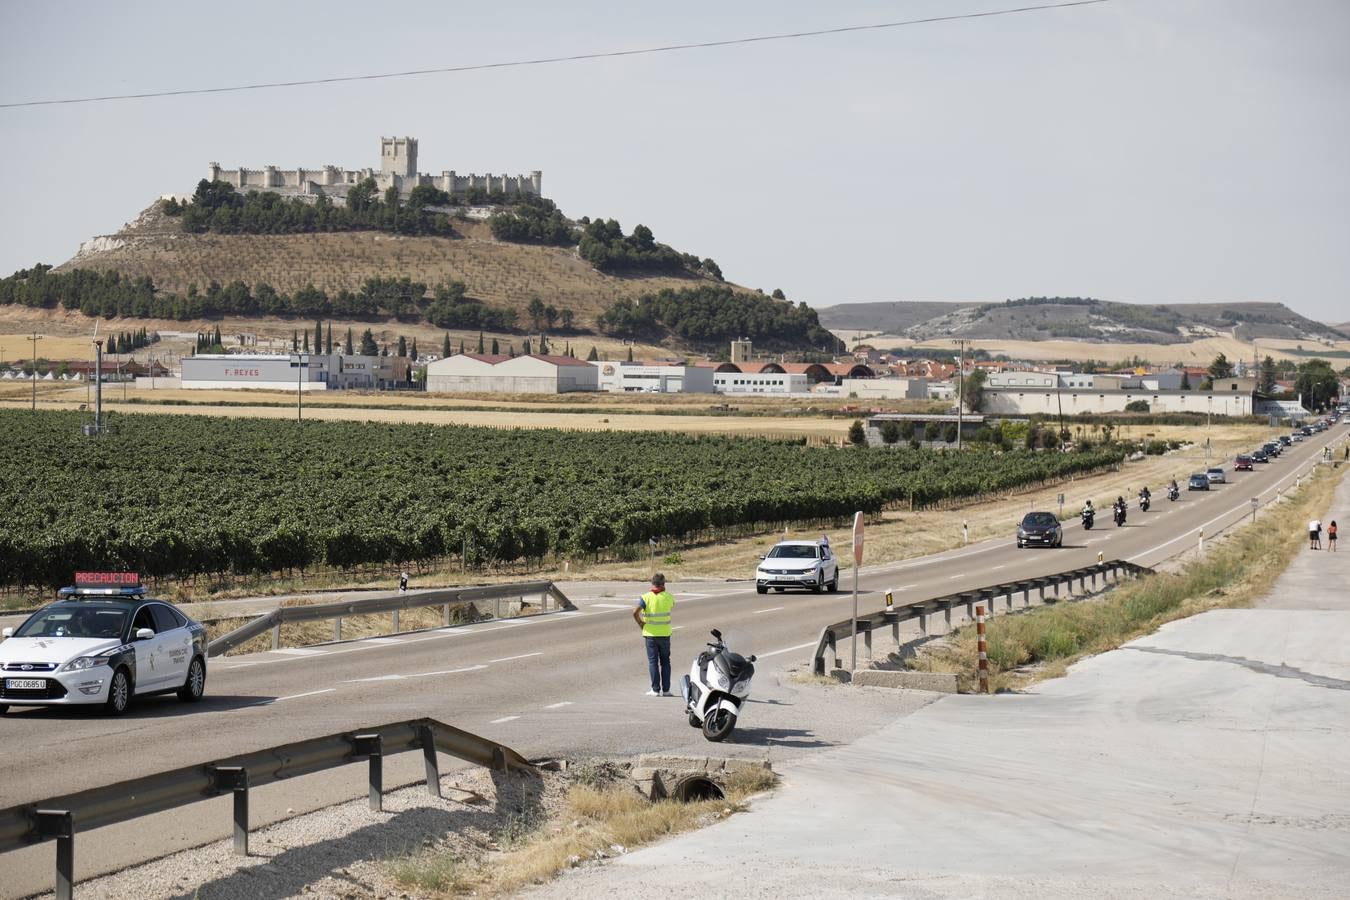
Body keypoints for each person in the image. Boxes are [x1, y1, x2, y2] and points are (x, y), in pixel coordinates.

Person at [633, 573, 675, 697]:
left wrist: (641, 623)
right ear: (663, 583)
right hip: (665, 634)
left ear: (652, 583)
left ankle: (655, 689)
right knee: (666, 662)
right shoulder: (668, 597)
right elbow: (672, 605)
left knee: (653, 662)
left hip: (650, 634)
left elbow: (635, 612)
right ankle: (666, 690)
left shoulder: (645, 597)